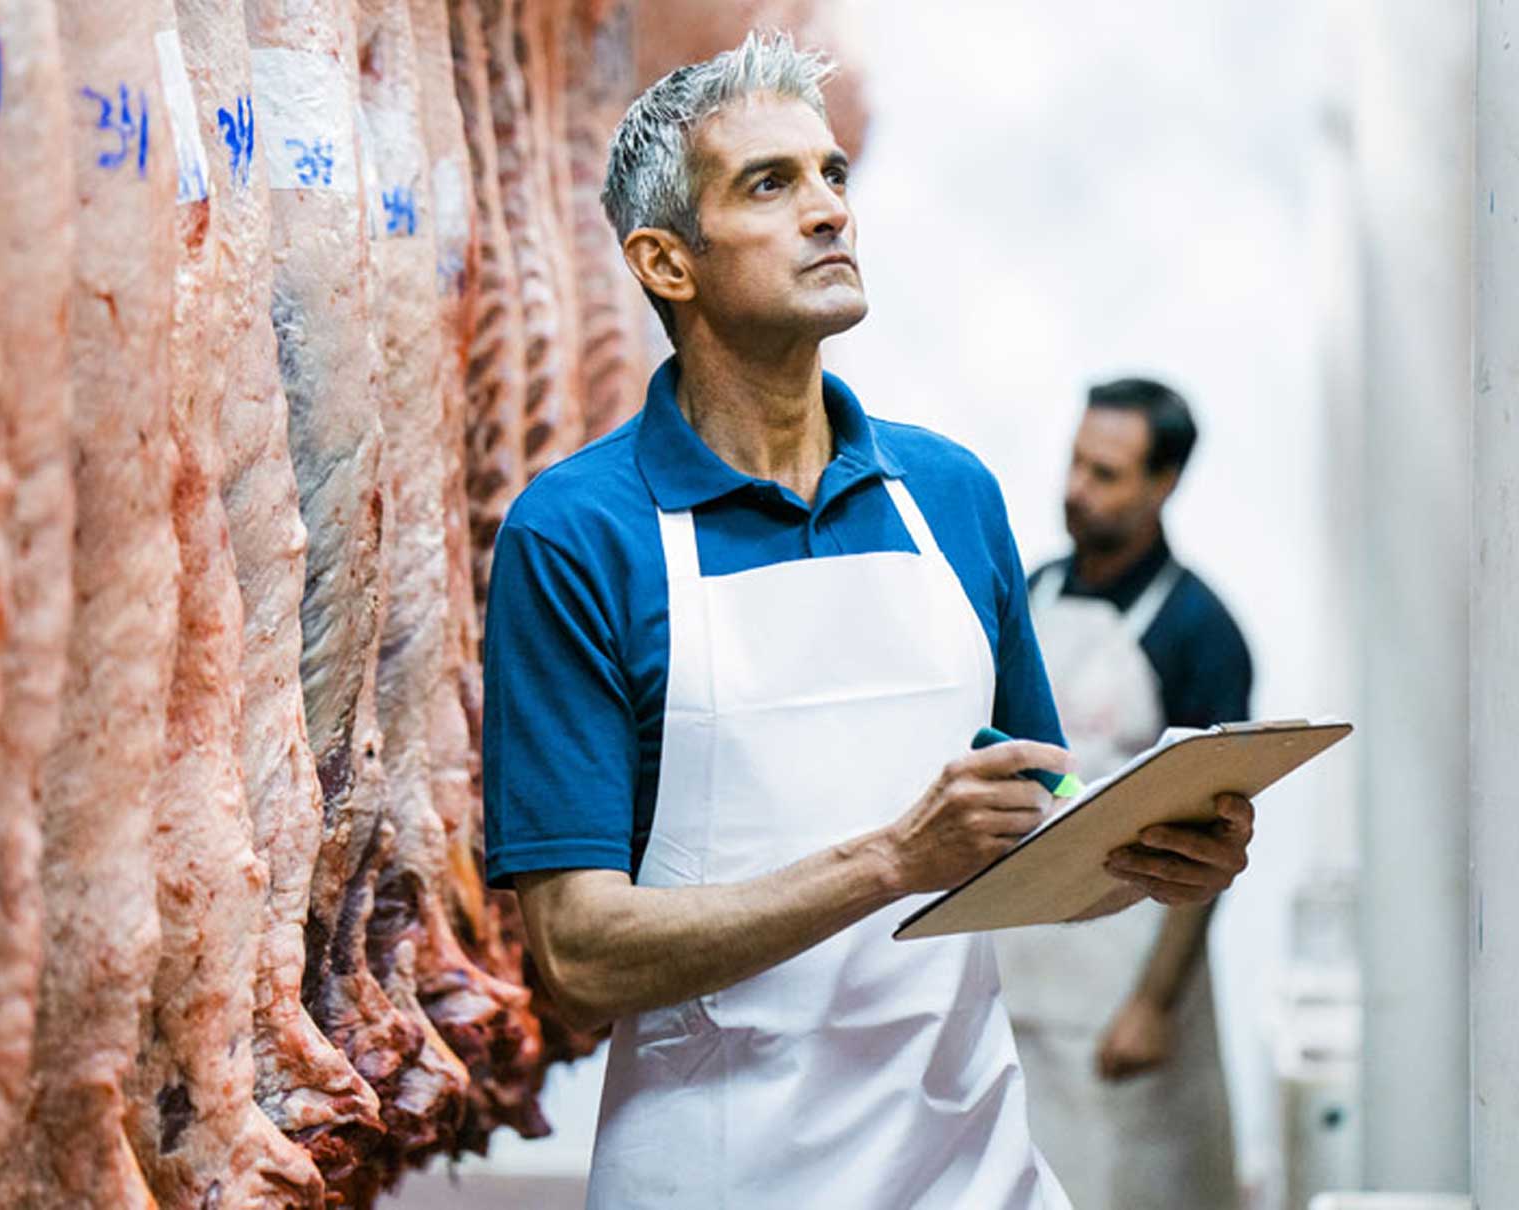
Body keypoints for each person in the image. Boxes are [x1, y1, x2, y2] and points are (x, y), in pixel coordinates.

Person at [480, 33, 1256, 1209]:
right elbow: (580, 958)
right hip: (722, 1176)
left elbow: (1035, 819)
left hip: (973, 1169)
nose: (831, 211)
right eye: (771, 184)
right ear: (665, 263)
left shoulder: (949, 494)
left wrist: (1154, 859)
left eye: (832, 174)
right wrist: (890, 861)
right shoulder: (577, 532)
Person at [994, 378, 1252, 1209]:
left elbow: (1214, 841)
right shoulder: (1031, 592)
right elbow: (1036, 770)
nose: (1077, 489)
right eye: (1075, 463)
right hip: (1024, 972)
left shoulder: (1200, 630)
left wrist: (1151, 1004)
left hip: (1127, 987)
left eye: (1105, 474)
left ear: (1163, 482)